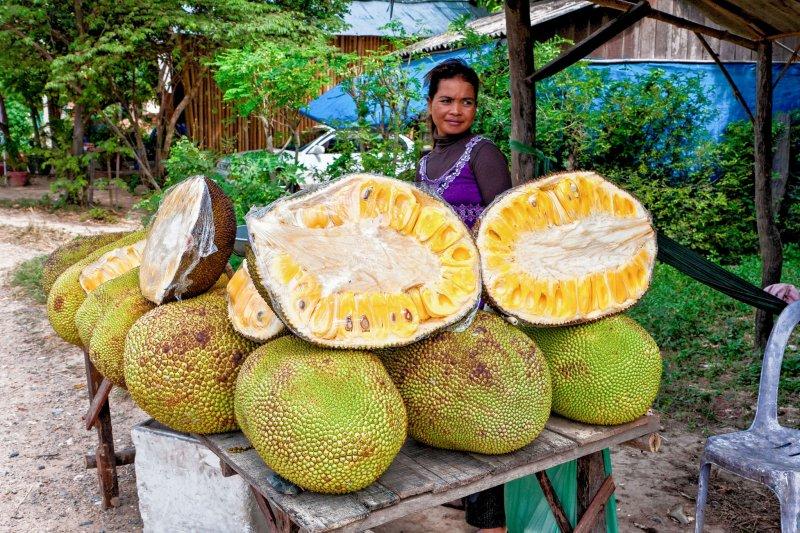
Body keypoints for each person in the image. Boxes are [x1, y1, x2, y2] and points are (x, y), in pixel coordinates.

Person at [417, 58, 511, 533]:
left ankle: (490, 517)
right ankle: (469, 493)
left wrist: (490, 292)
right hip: (440, 296)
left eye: (466, 101)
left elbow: (506, 228)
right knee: (450, 391)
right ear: (430, 104)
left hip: (479, 298)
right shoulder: (424, 162)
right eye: (447, 100)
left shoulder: (483, 152)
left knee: (483, 396)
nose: (456, 110)